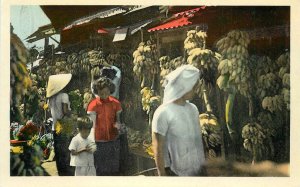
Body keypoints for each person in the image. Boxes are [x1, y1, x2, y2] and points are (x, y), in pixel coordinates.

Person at [151, 65, 206, 176]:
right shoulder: (163, 113)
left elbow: (197, 142)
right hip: (177, 173)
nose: (195, 91)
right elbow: (158, 148)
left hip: (198, 171)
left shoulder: (193, 109)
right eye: (193, 88)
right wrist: (163, 176)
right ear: (184, 86)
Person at [87, 77, 122, 175]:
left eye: (106, 93)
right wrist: (91, 142)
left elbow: (117, 120)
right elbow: (92, 125)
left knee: (113, 167)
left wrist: (118, 127)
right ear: (97, 92)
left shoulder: (116, 103)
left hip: (113, 139)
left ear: (110, 90)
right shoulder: (93, 105)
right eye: (101, 93)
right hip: (99, 141)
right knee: (100, 167)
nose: (104, 95)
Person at [46, 73, 75, 176]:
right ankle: (68, 173)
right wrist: (73, 113)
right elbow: (65, 110)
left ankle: (61, 171)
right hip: (64, 126)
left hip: (55, 126)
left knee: (58, 151)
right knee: (66, 150)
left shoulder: (51, 98)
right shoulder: (64, 95)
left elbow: (50, 111)